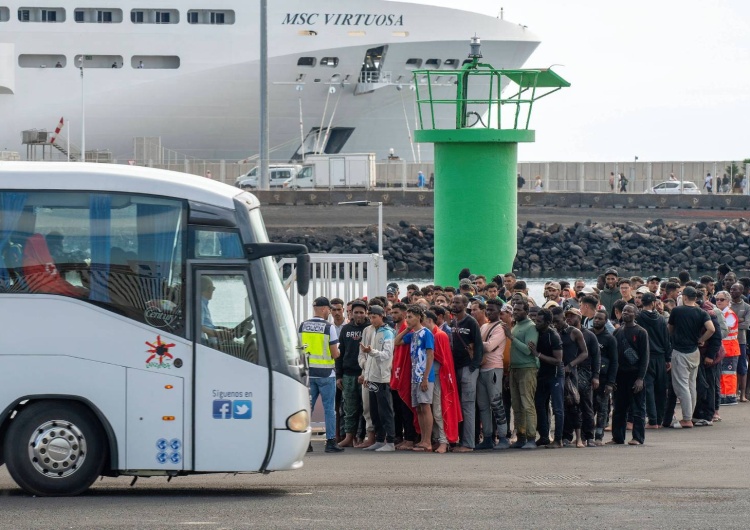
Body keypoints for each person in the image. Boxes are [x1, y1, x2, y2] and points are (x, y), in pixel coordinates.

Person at [666, 286, 715, 428]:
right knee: (691, 385)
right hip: (694, 351)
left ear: (685, 297)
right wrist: (701, 339)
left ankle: (687, 418)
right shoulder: (701, 312)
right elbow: (711, 329)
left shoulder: (677, 311)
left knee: (681, 385)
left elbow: (670, 329)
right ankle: (690, 415)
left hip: (680, 351)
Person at [299, 297, 343, 453]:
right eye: (329, 309)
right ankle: (330, 442)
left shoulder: (303, 325)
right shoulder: (328, 327)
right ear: (325, 309)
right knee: (329, 409)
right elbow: (334, 352)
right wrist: (338, 353)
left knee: (306, 408)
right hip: (325, 373)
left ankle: (305, 442)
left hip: (307, 374)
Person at [395, 305, 435, 452]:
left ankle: (427, 440)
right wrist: (407, 328)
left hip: (424, 376)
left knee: (425, 406)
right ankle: (423, 439)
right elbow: (397, 341)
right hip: (414, 376)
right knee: (418, 408)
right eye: (407, 317)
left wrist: (425, 377)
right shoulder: (412, 334)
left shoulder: (426, 333)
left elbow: (430, 355)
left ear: (419, 317)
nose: (407, 320)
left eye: (410, 317)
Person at [610, 305, 649, 445]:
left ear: (635, 314)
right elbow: (613, 357)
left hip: (635, 375)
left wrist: (640, 378)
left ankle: (637, 437)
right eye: (624, 311)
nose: (626, 313)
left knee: (638, 408)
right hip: (620, 375)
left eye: (629, 311)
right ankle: (617, 437)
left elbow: (645, 357)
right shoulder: (617, 332)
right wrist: (612, 378)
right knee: (619, 408)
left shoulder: (641, 332)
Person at [449, 295, 484, 452]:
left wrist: (474, 366)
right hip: (456, 368)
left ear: (464, 305)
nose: (454, 305)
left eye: (457, 302)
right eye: (453, 302)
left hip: (468, 368)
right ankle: (460, 439)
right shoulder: (453, 321)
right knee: (459, 405)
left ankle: (468, 443)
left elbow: (478, 345)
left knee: (468, 405)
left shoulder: (471, 322)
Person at [359, 305, 396, 451]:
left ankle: (391, 441)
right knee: (374, 410)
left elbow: (387, 355)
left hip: (383, 378)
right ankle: (380, 439)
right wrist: (367, 375)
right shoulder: (372, 331)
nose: (372, 320)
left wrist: (371, 351)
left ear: (382, 316)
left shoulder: (388, 332)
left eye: (374, 317)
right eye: (370, 317)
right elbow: (368, 358)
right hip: (372, 377)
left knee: (385, 410)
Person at [475, 299, 510, 450]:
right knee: (483, 405)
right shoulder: (484, 326)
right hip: (483, 368)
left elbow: (489, 347)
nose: (489, 312)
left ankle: (503, 437)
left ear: (500, 312)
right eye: (487, 310)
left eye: (492, 310)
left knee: (497, 404)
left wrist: (474, 341)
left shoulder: (500, 328)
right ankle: (488, 437)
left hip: (494, 368)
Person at [552, 307, 588, 448]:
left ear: (564, 319)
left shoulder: (574, 332)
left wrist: (571, 365)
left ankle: (579, 438)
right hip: (556, 372)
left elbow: (584, 353)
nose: (555, 324)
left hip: (570, 372)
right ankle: (563, 436)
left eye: (557, 321)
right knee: (559, 406)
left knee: (574, 404)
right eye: (553, 321)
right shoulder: (554, 332)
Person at [336, 300, 369, 448]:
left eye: (361, 312)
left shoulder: (369, 328)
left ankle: (360, 437)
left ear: (366, 313)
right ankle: (349, 436)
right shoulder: (346, 329)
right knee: (349, 407)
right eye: (356, 312)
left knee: (365, 408)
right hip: (348, 374)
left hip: (364, 373)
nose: (359, 315)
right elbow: (340, 353)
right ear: (351, 313)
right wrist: (339, 375)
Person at [637, 292, 672, 429]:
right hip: (661, 356)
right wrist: (668, 358)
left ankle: (652, 420)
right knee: (661, 389)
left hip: (646, 356)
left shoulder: (639, 318)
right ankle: (659, 418)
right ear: (652, 303)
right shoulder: (661, 319)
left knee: (649, 388)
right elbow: (666, 340)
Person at [507, 300, 539, 449]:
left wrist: (512, 338)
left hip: (527, 368)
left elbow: (528, 350)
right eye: (514, 310)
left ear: (526, 311)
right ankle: (521, 436)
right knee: (516, 404)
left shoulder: (531, 327)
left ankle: (531, 437)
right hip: (514, 368)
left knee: (527, 404)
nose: (515, 312)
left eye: (519, 310)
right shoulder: (516, 326)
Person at [532, 308, 564, 448]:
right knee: (539, 403)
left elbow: (558, 360)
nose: (536, 323)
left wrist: (537, 354)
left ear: (548, 322)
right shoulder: (536, 332)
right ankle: (544, 436)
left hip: (555, 375)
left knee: (557, 408)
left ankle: (558, 439)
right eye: (535, 320)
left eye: (539, 321)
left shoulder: (553, 336)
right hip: (543, 374)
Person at [591, 309, 618, 445]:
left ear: (605, 321)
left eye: (600, 318)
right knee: (589, 407)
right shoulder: (588, 334)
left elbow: (614, 362)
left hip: (604, 378)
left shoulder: (610, 339)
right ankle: (587, 435)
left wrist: (610, 383)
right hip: (589, 377)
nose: (596, 320)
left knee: (602, 408)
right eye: (595, 318)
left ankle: (599, 436)